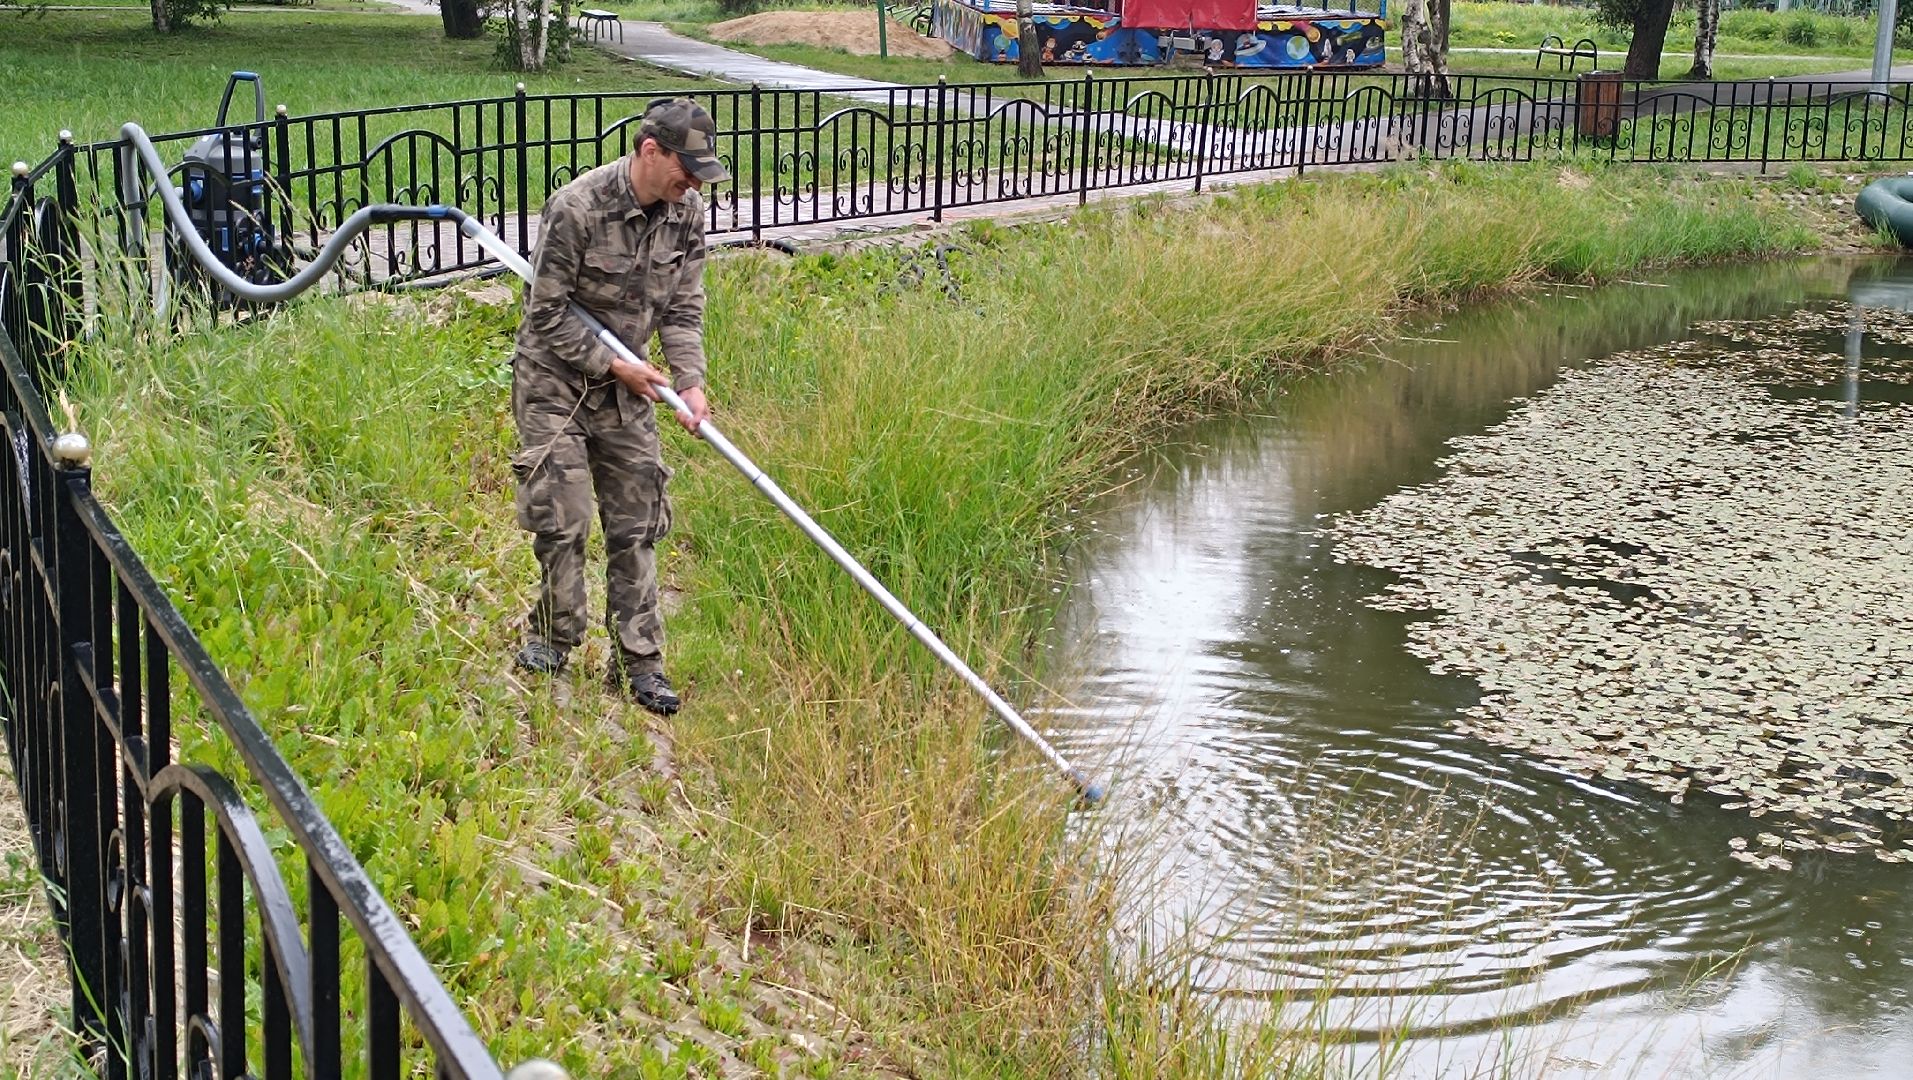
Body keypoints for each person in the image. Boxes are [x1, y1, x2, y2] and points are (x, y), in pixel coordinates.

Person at [509, 97, 728, 716]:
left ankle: (640, 663)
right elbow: (545, 314)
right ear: (649, 151)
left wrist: (689, 383)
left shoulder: (686, 213)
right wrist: (615, 366)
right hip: (555, 381)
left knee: (637, 521)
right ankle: (553, 638)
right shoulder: (577, 208)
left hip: (628, 388)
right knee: (565, 515)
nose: (691, 184)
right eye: (684, 168)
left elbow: (684, 308)